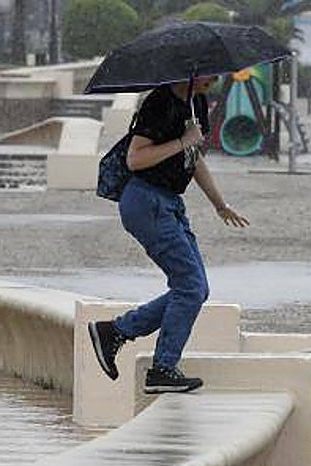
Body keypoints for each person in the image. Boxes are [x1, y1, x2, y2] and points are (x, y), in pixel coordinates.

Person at [88, 75, 249, 393]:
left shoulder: (196, 101)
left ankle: (116, 331)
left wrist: (220, 204)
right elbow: (136, 158)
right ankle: (162, 368)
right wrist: (182, 140)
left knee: (196, 289)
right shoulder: (159, 103)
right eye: (210, 74)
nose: (214, 80)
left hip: (169, 202)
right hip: (145, 201)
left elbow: (194, 157)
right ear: (191, 72)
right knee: (189, 287)